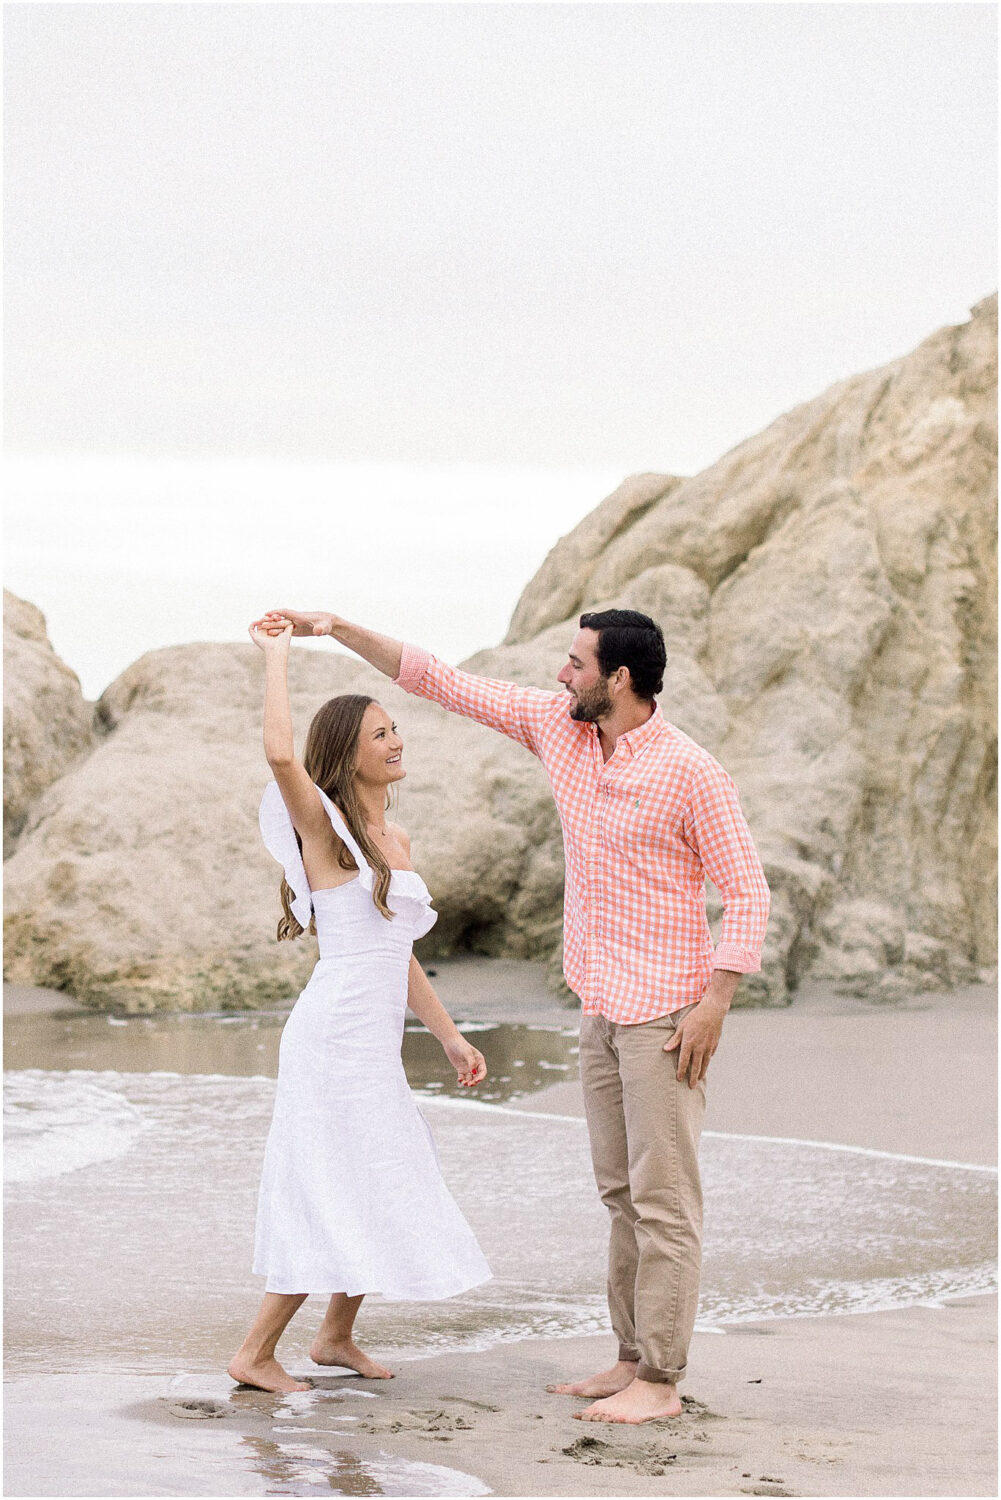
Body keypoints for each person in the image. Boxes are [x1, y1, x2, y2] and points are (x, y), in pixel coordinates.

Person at [258, 603, 770, 1425]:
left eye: (575, 663)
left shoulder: (690, 771)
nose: (560, 675)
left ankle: (662, 1381)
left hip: (667, 1011)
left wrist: (716, 1000)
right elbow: (443, 681)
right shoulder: (558, 729)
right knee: (619, 1194)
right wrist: (335, 629)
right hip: (599, 1002)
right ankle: (629, 1357)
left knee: (663, 1200)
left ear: (620, 679)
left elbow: (747, 893)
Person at [228, 619, 491, 1395]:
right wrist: (276, 655)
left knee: (382, 1169)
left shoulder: (396, 839)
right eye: (380, 733)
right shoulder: (326, 828)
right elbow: (281, 754)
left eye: (396, 727)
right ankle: (254, 1351)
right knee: (331, 1178)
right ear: (347, 754)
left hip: (371, 1042)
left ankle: (336, 1335)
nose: (396, 741)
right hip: (331, 1036)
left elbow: (396, 951)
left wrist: (447, 1036)